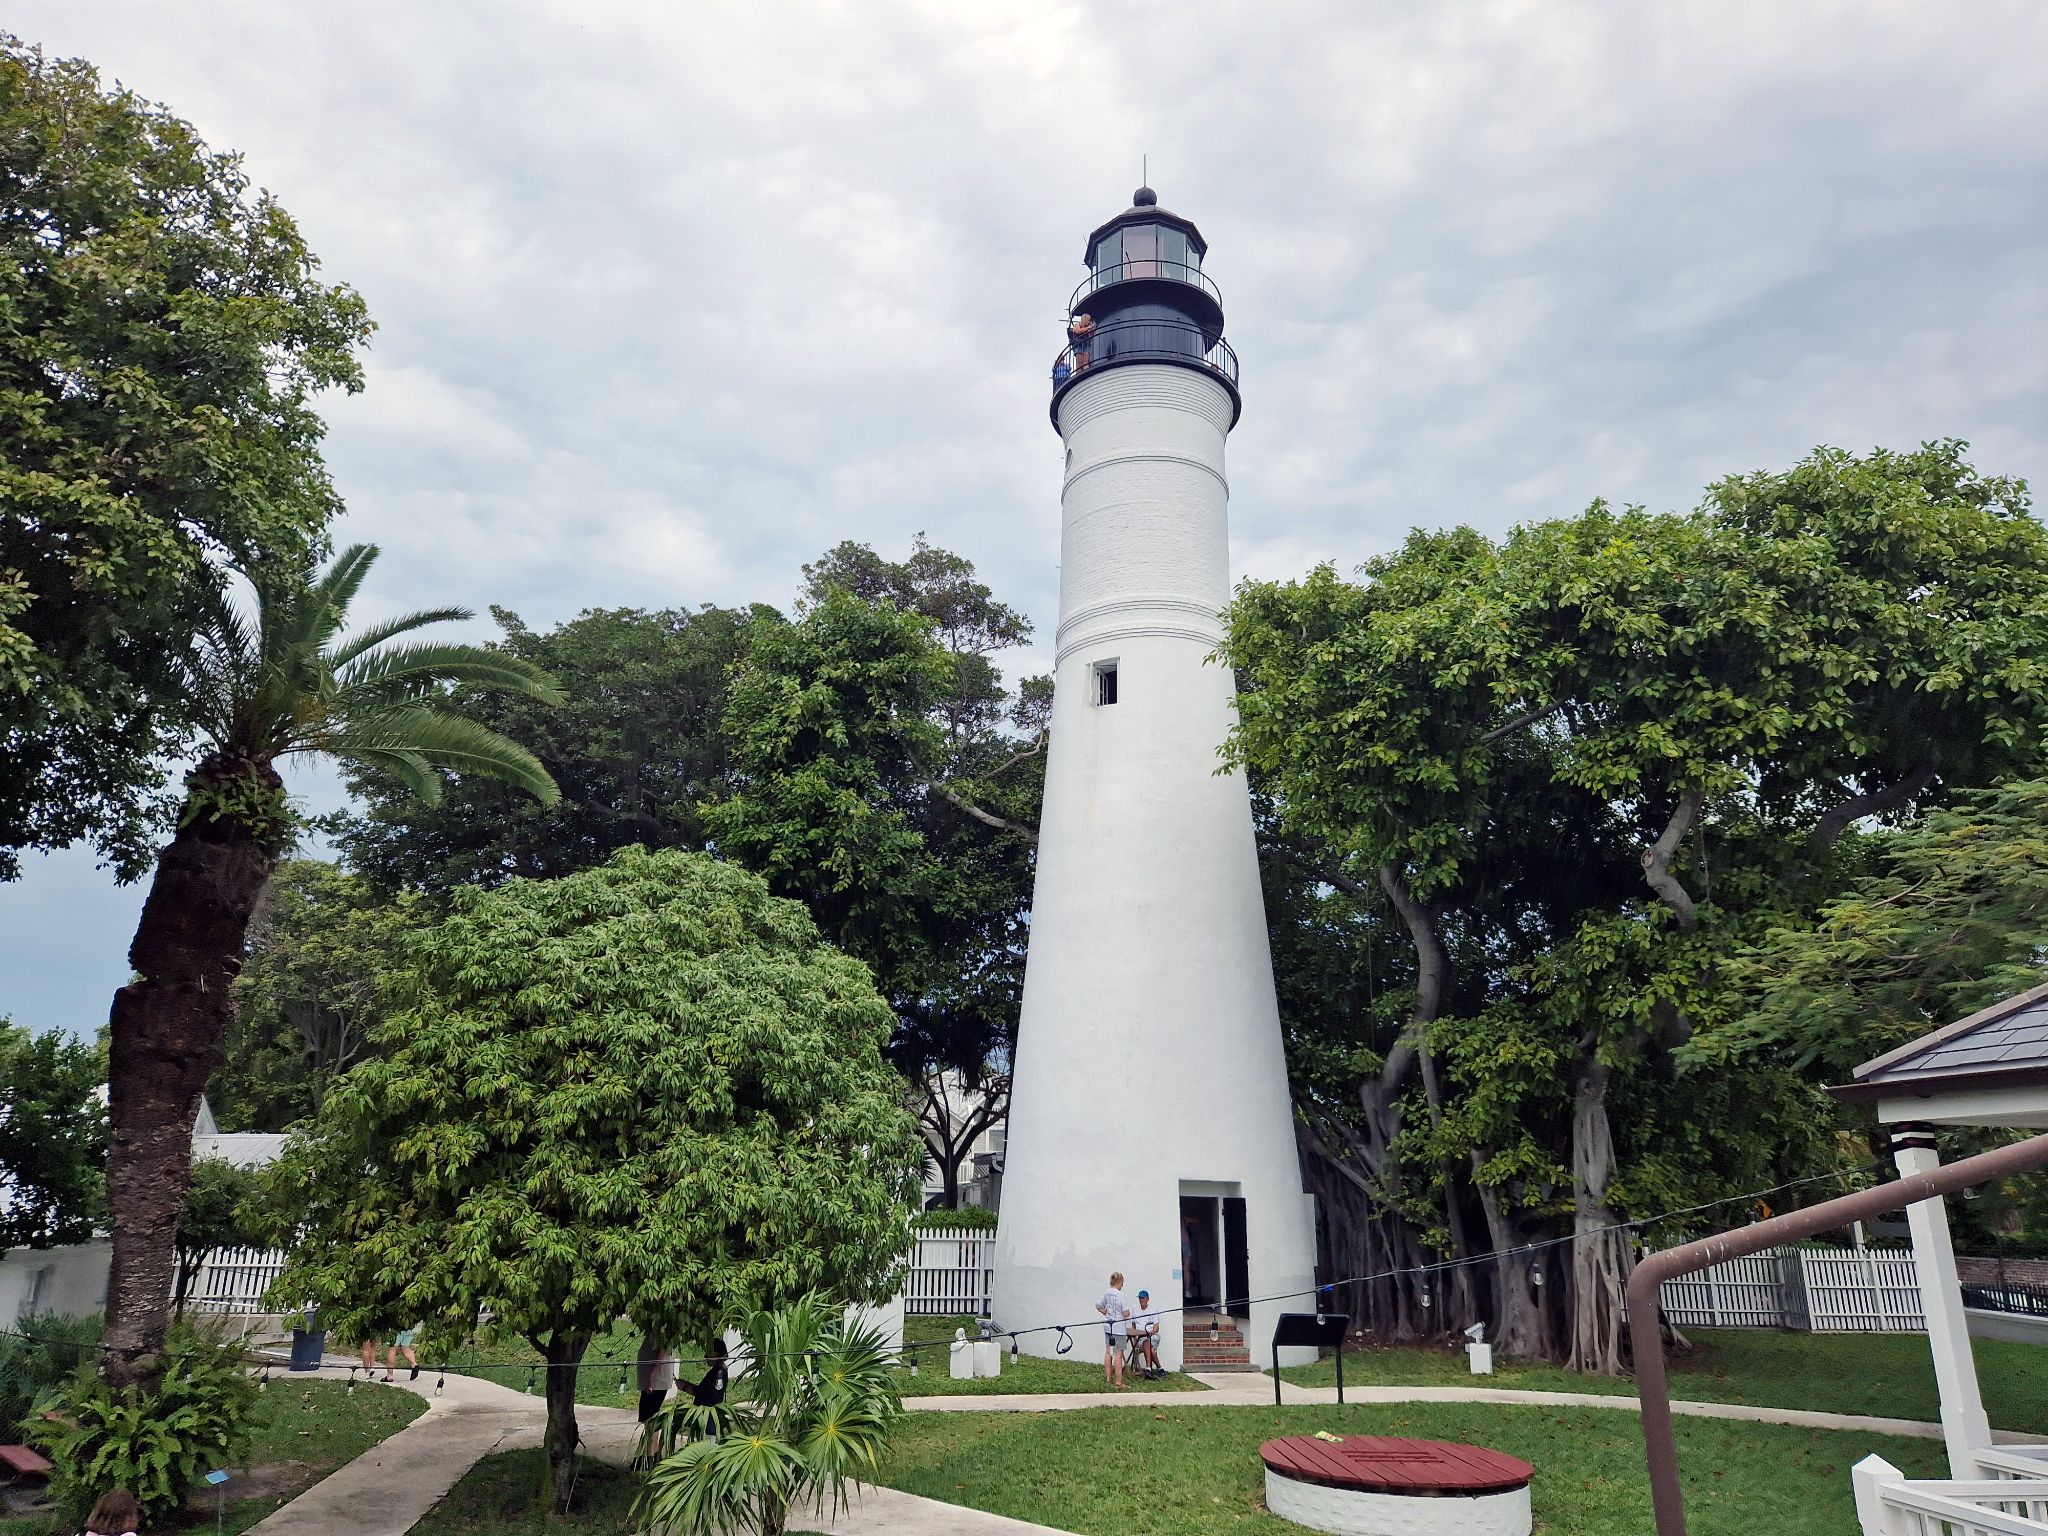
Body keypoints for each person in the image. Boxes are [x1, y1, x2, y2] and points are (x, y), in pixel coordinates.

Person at [634, 1338, 678, 1467]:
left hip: (655, 1381)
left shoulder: (663, 1330)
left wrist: (652, 1375)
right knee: (650, 1418)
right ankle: (654, 1454)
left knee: (650, 1419)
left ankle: (650, 1457)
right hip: (653, 1381)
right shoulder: (656, 1330)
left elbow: (664, 1351)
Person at [1095, 1270, 1130, 1388]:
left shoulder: (1107, 1292)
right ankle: (1119, 1382)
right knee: (1118, 1354)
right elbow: (1126, 1313)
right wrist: (1127, 1313)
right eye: (1122, 1283)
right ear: (1119, 1281)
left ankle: (1108, 1378)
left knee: (1107, 1351)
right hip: (1118, 1328)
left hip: (1107, 1326)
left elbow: (1098, 1305)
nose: (1123, 1285)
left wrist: (1104, 1311)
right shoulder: (1121, 1295)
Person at [1128, 1289, 1162, 1380]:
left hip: (1152, 1336)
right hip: (1139, 1337)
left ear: (1147, 1299)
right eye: (1140, 1298)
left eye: (1143, 1298)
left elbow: (1156, 1326)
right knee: (1152, 1351)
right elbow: (1133, 1325)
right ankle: (1159, 1368)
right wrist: (1134, 1339)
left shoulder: (1153, 1309)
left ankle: (1148, 1369)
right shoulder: (1135, 1309)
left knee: (1147, 1342)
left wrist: (1151, 1332)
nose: (1141, 1300)